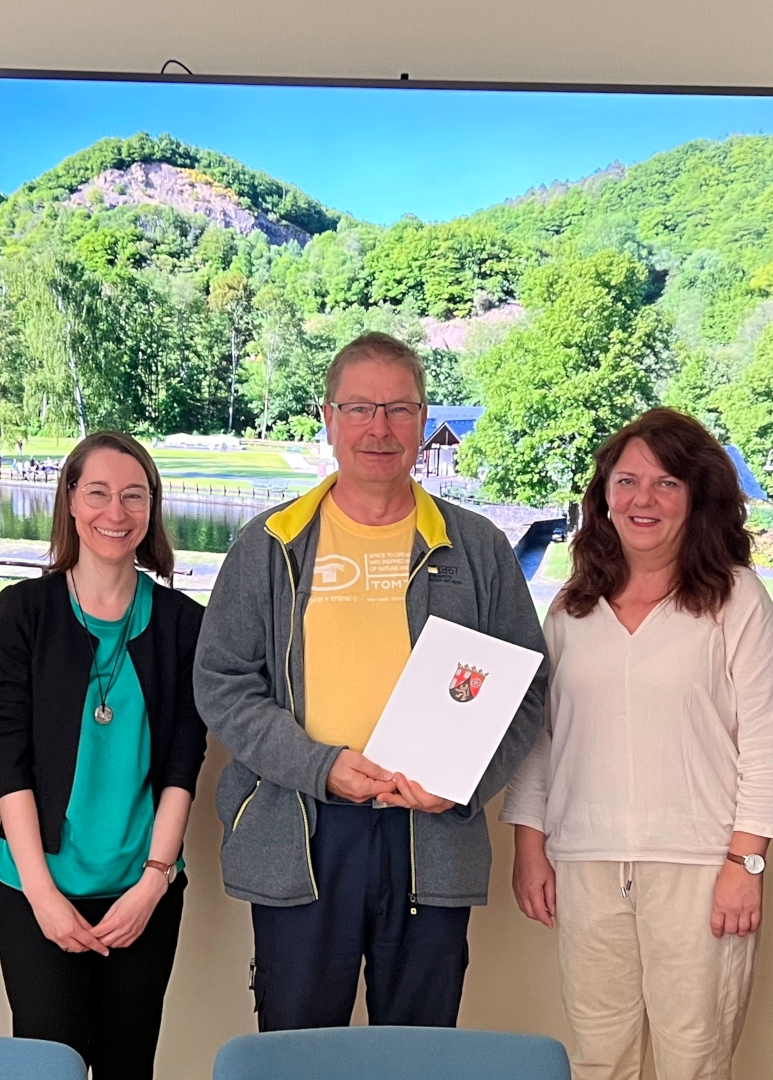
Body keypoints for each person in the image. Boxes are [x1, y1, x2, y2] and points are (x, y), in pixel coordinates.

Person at [194, 331, 547, 1030]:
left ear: (422, 421)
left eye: (398, 409)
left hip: (431, 835)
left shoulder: (476, 548)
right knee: (298, 1052)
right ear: (328, 419)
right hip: (303, 830)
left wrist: (464, 784)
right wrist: (320, 767)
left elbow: (525, 688)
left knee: (416, 1052)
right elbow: (223, 681)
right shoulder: (270, 544)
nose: (378, 428)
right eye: (359, 408)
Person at [503, 408, 773, 1080]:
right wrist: (529, 845)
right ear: (604, 496)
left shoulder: (737, 600)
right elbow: (543, 738)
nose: (643, 499)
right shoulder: (572, 607)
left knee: (692, 1059)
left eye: (666, 484)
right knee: (599, 1059)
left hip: (701, 867)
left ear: (698, 497)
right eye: (628, 481)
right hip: (586, 861)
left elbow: (772, 738)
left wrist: (745, 864)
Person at [0, 431, 208, 1080]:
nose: (117, 512)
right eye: (99, 493)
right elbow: (9, 758)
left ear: (152, 509)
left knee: (128, 1068)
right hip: (37, 888)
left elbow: (181, 766)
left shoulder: (181, 624)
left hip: (143, 891)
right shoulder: (24, 612)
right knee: (48, 1069)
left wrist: (154, 882)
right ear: (71, 502)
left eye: (135, 496)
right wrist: (45, 897)